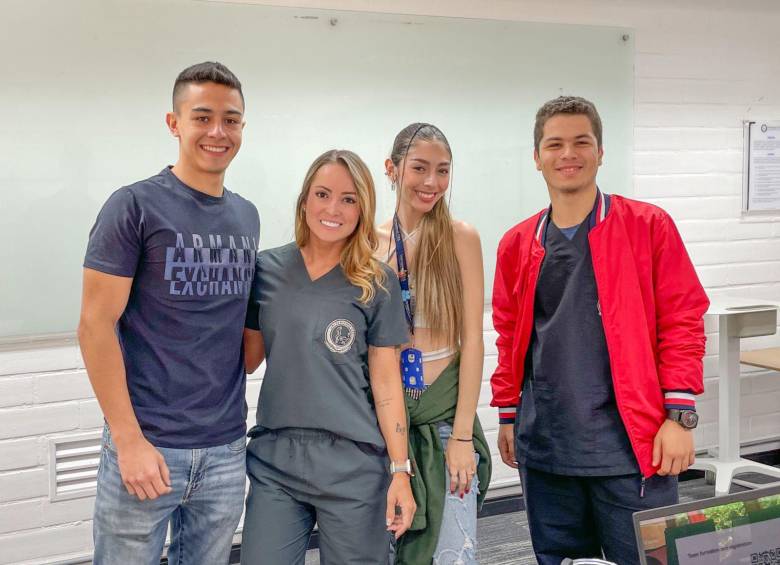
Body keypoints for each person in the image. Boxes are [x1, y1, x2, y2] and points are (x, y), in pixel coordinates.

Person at [491, 96, 709, 565]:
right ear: (537, 157)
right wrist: (508, 415)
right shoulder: (517, 243)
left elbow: (683, 319)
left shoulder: (647, 227)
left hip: (633, 447)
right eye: (555, 144)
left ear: (600, 151)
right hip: (547, 448)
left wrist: (680, 415)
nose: (568, 154)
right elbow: (509, 335)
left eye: (581, 142)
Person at [78, 61, 258, 565]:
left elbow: (235, 335)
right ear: (174, 123)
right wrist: (128, 440)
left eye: (231, 119)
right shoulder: (133, 206)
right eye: (202, 117)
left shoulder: (247, 215)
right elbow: (95, 327)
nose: (218, 132)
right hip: (147, 445)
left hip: (224, 448)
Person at [240, 149, 416, 565]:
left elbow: (387, 384)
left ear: (362, 209)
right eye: (322, 194)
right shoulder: (265, 271)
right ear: (305, 200)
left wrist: (400, 471)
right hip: (276, 461)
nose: (332, 208)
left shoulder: (377, 282)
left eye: (348, 199)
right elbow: (245, 360)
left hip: (353, 464)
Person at [379, 123, 491, 565]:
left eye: (442, 171)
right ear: (392, 169)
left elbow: (474, 341)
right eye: (419, 168)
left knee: (451, 552)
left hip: (445, 416)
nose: (431, 183)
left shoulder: (462, 238)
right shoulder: (370, 240)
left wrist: (463, 434)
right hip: (388, 421)